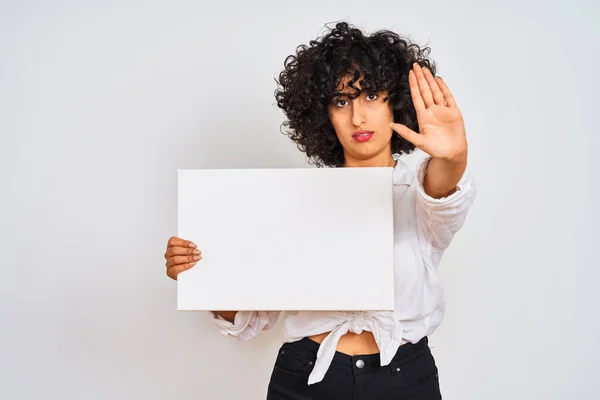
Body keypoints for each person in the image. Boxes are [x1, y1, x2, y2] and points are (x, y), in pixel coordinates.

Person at [164, 21, 476, 399]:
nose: (358, 117)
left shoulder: (420, 194)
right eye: (341, 101)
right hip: (306, 377)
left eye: (372, 96)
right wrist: (203, 274)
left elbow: (443, 193)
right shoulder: (295, 199)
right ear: (323, 115)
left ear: (396, 101)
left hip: (404, 379)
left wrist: (454, 156)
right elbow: (252, 318)